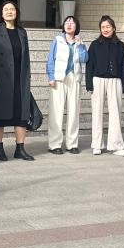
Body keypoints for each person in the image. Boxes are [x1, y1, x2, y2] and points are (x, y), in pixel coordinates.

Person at [0, 0, 34, 161]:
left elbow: (26, 57)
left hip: (19, 79)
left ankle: (20, 148)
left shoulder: (22, 32)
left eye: (12, 9)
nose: (9, 11)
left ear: (16, 12)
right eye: (6, 9)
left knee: (21, 114)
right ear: (2, 13)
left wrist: (27, 77)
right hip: (1, 79)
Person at [85, 15, 124, 156]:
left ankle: (116, 146)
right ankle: (97, 145)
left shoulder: (120, 45)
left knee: (116, 113)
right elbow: (89, 65)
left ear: (114, 28)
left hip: (115, 80)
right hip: (97, 80)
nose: (105, 29)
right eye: (103, 27)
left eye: (108, 27)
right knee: (97, 112)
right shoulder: (94, 45)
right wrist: (89, 84)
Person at [46, 15, 87, 154]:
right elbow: (51, 59)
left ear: (76, 27)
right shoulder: (58, 39)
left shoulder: (80, 41)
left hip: (74, 77)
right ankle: (54, 144)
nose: (69, 25)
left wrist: (81, 46)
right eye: (67, 22)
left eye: (72, 23)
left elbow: (84, 59)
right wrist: (51, 77)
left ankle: (72, 144)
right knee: (56, 111)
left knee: (74, 111)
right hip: (59, 78)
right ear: (63, 26)